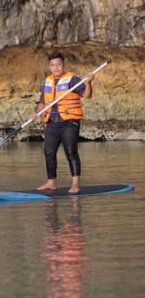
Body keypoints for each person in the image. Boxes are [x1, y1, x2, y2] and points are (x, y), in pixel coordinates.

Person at [32, 51, 94, 194]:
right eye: (53, 65)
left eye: (58, 64)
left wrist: (88, 83)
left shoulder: (72, 80)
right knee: (48, 152)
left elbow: (87, 95)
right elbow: (42, 102)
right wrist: (36, 112)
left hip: (69, 123)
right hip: (52, 122)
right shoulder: (48, 81)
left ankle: (75, 184)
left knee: (71, 152)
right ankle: (51, 183)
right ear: (49, 67)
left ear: (63, 65)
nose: (56, 67)